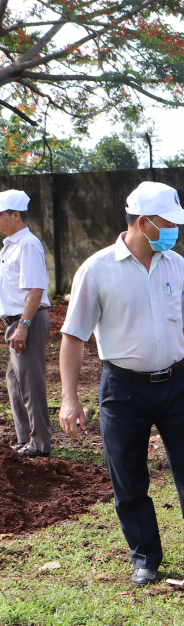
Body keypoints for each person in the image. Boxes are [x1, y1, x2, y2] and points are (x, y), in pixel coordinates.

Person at [58, 182, 184, 586]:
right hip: (122, 390)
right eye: (169, 222)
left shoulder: (177, 265)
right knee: (128, 476)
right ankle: (145, 557)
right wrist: (69, 399)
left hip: (175, 384)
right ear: (143, 223)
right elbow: (73, 337)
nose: (177, 230)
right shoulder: (97, 269)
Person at [0, 190, 52, 458]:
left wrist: (23, 325)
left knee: (30, 383)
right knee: (14, 381)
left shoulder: (28, 244)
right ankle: (25, 439)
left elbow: (35, 289)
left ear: (15, 215)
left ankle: (40, 443)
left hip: (27, 321)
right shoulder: (10, 246)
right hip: (15, 322)